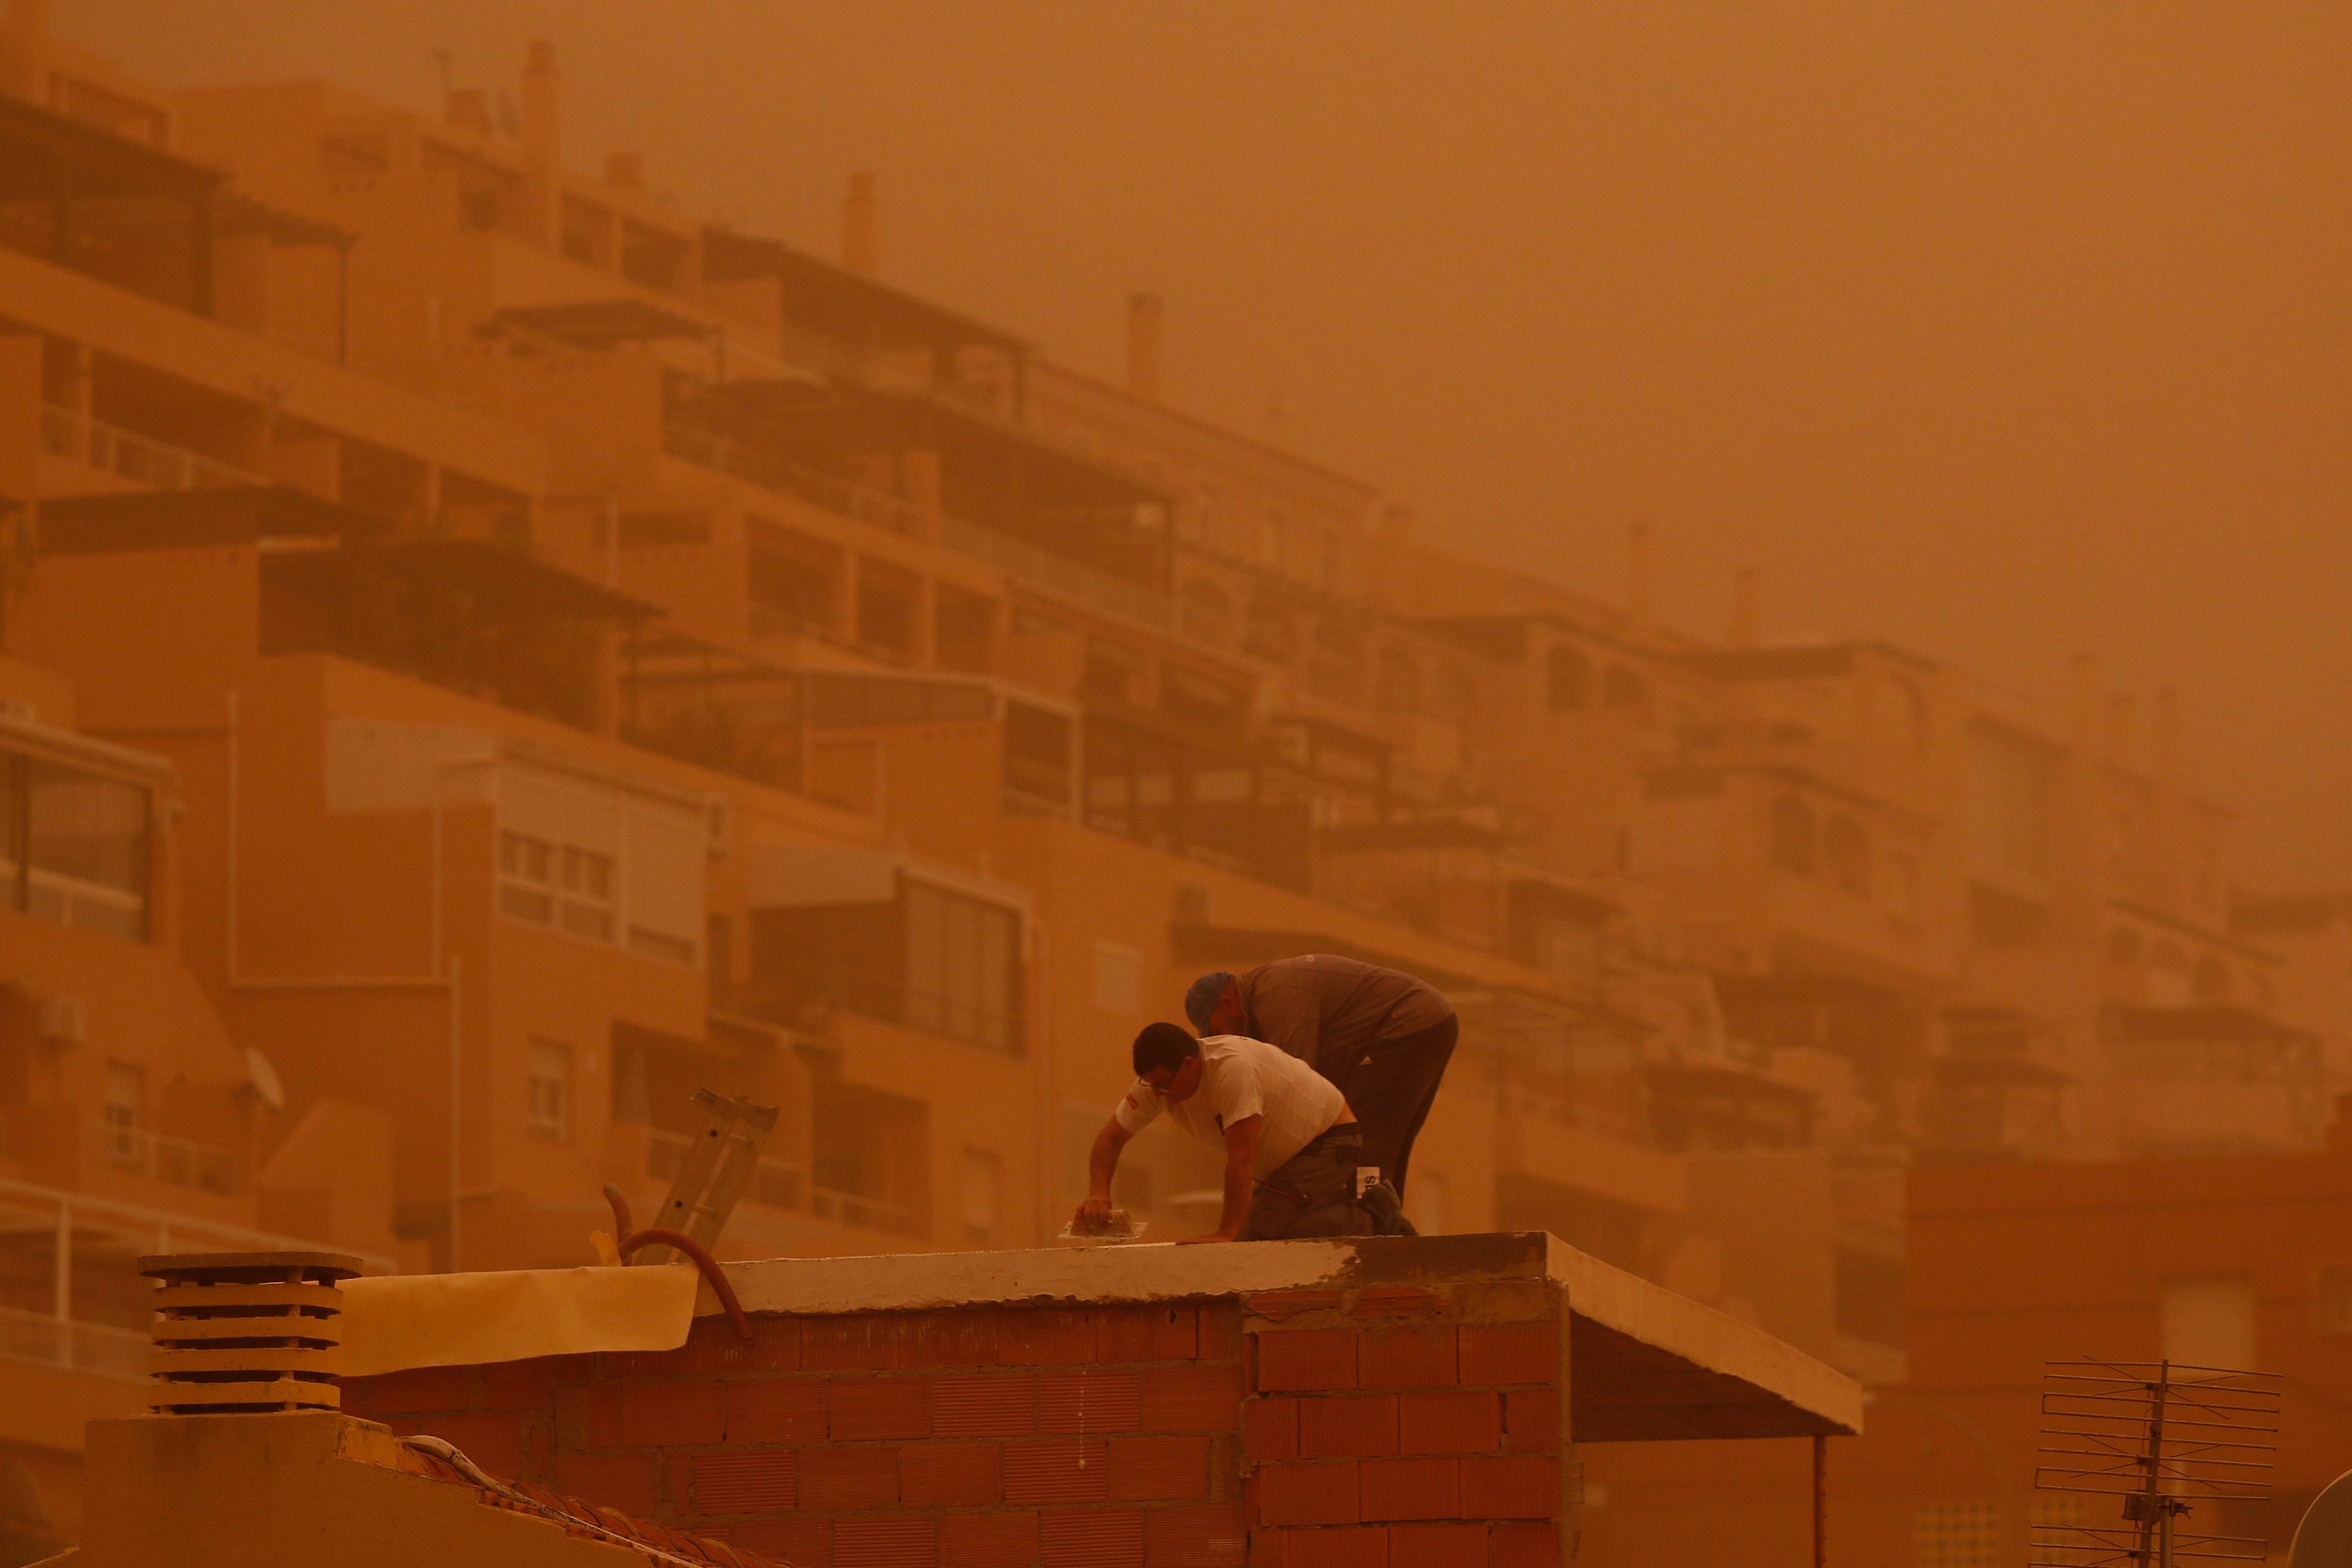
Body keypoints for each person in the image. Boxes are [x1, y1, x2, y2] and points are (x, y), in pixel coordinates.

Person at [1076, 1022, 1383, 1244]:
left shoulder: (1232, 1070)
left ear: (1189, 1064)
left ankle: (1372, 1218)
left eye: (1165, 1084)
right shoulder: (1155, 1086)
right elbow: (1110, 1139)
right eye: (1152, 1086)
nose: (1161, 1094)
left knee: (1257, 1234)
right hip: (1285, 1164)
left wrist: (1227, 1233)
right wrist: (1099, 1194)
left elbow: (1241, 1157)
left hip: (1331, 1139)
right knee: (1262, 1231)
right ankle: (1347, 1212)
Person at [1185, 955, 1456, 1200]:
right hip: (1427, 1020)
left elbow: (1298, 1087)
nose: (1224, 1041)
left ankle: (1369, 1227)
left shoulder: (1277, 997)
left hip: (1409, 1021)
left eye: (1218, 1030)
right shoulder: (1265, 998)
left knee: (1361, 1136)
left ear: (1228, 1004)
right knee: (1383, 1142)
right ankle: (1382, 1223)